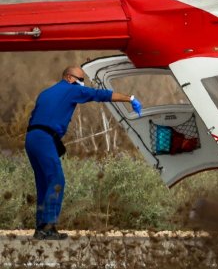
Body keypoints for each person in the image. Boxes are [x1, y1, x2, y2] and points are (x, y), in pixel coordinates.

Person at [25, 66, 142, 240]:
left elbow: (37, 117)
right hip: (44, 139)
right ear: (69, 78)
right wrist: (129, 98)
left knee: (44, 182)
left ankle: (41, 228)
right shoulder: (71, 89)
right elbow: (100, 95)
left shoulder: (45, 93)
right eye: (80, 79)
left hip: (31, 138)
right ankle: (47, 227)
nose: (82, 83)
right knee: (57, 180)